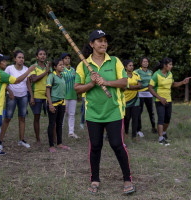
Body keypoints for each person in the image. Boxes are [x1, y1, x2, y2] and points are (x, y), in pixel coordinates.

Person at [74, 30, 135, 194]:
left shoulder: (114, 61)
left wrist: (106, 81)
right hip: (93, 113)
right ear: (91, 44)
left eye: (105, 41)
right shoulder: (83, 65)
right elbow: (77, 88)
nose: (103, 44)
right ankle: (95, 180)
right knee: (95, 146)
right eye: (99, 41)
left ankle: (127, 179)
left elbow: (124, 82)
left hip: (113, 111)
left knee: (117, 144)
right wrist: (91, 84)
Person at [0, 54, 35, 157]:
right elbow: (17, 80)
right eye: (4, 61)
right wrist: (29, 71)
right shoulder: (0, 73)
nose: (6, 62)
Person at [148, 58, 191, 146]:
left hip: (168, 100)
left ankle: (163, 133)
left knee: (167, 119)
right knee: (161, 119)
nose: (171, 66)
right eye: (170, 64)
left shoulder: (170, 74)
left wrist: (182, 82)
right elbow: (150, 87)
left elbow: (173, 84)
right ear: (165, 65)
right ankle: (160, 138)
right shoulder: (156, 74)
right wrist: (160, 98)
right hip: (159, 100)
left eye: (171, 64)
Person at [0, 50, 31, 150]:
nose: (21, 59)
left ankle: (21, 140)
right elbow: (4, 82)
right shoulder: (9, 68)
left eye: (22, 57)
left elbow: (28, 83)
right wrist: (9, 91)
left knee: (22, 118)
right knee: (7, 117)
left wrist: (31, 95)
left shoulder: (26, 69)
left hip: (23, 96)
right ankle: (0, 140)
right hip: (12, 96)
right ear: (15, 59)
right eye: (19, 57)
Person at [46, 58, 70, 153]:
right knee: (52, 124)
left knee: (60, 124)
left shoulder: (62, 76)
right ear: (55, 67)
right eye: (60, 65)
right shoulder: (51, 76)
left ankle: (59, 143)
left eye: (63, 64)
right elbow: (47, 90)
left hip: (62, 103)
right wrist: (50, 104)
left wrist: (65, 106)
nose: (62, 66)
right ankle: (51, 145)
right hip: (53, 103)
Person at [27, 48, 50, 143]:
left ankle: (53, 138)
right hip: (36, 95)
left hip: (47, 95)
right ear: (37, 57)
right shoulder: (34, 67)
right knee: (37, 117)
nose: (42, 56)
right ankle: (38, 139)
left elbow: (52, 79)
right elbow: (34, 79)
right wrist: (46, 72)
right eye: (40, 54)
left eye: (44, 54)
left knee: (52, 117)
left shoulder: (48, 66)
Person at [134, 57, 157, 137]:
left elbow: (153, 82)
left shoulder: (150, 72)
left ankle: (154, 127)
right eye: (144, 62)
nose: (145, 63)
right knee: (139, 112)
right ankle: (138, 129)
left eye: (147, 61)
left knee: (151, 112)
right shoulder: (136, 71)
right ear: (141, 63)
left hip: (149, 94)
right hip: (140, 94)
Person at [61, 52, 79, 138]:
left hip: (73, 95)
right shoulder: (60, 70)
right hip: (64, 95)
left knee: (72, 114)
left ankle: (71, 132)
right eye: (65, 58)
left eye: (68, 58)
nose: (67, 60)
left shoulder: (73, 70)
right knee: (62, 114)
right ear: (62, 60)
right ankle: (59, 131)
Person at [123, 60, 142, 141]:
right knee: (126, 118)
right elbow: (124, 86)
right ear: (125, 67)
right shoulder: (122, 76)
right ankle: (126, 133)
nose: (132, 67)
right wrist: (135, 87)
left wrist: (130, 87)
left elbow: (140, 85)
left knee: (135, 118)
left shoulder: (136, 75)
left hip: (136, 100)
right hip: (125, 100)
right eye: (130, 65)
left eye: (132, 65)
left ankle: (134, 136)